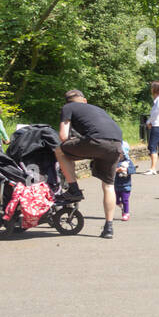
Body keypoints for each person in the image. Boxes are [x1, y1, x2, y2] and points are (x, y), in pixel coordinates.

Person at [54, 89, 124, 239]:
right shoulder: (98, 109)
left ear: (68, 102)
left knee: (60, 151)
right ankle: (108, 228)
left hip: (96, 142)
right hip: (117, 144)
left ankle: (74, 189)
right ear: (84, 100)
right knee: (108, 185)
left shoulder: (68, 108)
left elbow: (63, 136)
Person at [114, 141, 135, 221]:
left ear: (124, 153)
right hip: (115, 185)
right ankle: (122, 207)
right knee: (116, 201)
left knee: (125, 200)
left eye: (120, 153)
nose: (118, 154)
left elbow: (133, 170)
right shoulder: (115, 161)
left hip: (126, 185)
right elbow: (111, 170)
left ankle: (126, 213)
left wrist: (125, 169)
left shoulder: (128, 162)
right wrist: (116, 170)